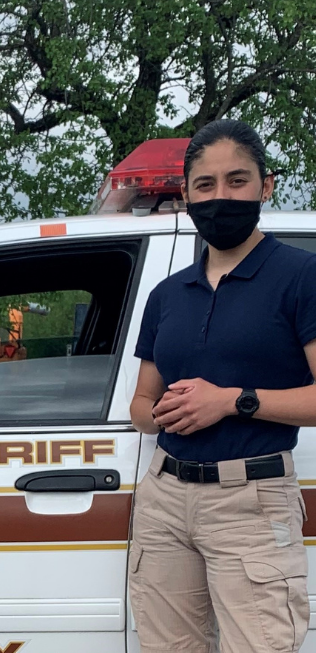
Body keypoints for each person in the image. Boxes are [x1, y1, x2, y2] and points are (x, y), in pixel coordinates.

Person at [129, 119, 316, 652]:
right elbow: (141, 404)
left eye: (237, 181)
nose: (220, 197)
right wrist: (163, 413)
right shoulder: (168, 293)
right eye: (205, 186)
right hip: (165, 496)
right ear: (187, 194)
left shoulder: (301, 277)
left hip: (250, 500)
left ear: (266, 186)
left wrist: (232, 402)